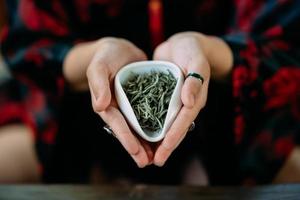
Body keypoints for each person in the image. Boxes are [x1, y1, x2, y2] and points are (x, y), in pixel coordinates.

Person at [0, 0, 299, 185]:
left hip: (231, 122)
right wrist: (93, 58)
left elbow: (287, 44)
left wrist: (210, 52)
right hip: (71, 120)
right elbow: (27, 43)